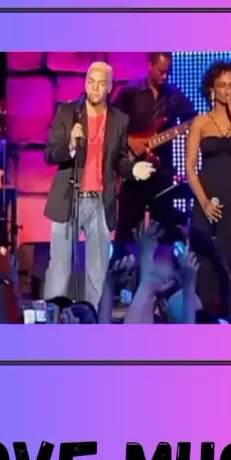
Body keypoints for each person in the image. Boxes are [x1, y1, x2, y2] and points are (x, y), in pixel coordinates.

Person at [43, 62, 154, 310]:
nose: (94, 88)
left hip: (101, 203)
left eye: (101, 83)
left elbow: (119, 159)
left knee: (98, 270)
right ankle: (53, 320)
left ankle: (92, 320)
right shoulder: (67, 113)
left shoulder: (119, 120)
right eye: (90, 82)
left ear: (109, 87)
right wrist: (70, 147)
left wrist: (133, 170)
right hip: (68, 199)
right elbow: (49, 154)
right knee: (60, 267)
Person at [185, 61, 231, 317]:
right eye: (222, 85)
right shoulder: (200, 122)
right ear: (211, 89)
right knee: (207, 265)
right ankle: (206, 319)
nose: (227, 91)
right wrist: (204, 202)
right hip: (208, 202)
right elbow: (190, 168)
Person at [113, 52, 196, 244]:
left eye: (168, 72)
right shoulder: (130, 91)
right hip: (133, 167)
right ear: (150, 66)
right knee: (128, 224)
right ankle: (122, 258)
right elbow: (112, 123)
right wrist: (130, 141)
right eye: (160, 71)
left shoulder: (174, 96)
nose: (164, 77)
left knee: (164, 225)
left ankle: (166, 260)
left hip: (162, 169)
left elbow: (193, 119)